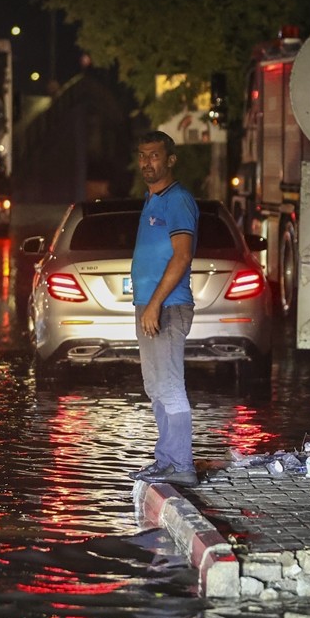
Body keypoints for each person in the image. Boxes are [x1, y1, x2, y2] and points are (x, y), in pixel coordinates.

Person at [126, 130, 199, 487]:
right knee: (155, 387)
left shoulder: (178, 199)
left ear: (170, 159)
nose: (146, 163)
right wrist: (145, 305)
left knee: (170, 387)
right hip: (149, 307)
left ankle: (181, 464)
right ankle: (166, 461)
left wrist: (154, 304)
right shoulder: (151, 199)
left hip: (168, 306)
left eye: (154, 155)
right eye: (142, 155)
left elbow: (182, 256)